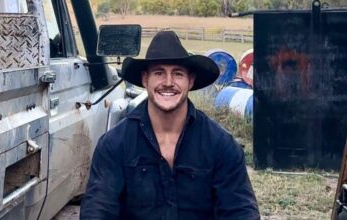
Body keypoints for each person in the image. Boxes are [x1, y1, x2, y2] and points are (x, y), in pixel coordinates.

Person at [80, 30, 260, 220]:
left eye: (178, 74)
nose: (168, 82)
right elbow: (97, 210)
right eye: (159, 73)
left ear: (190, 80)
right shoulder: (114, 144)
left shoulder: (220, 144)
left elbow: (240, 211)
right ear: (145, 79)